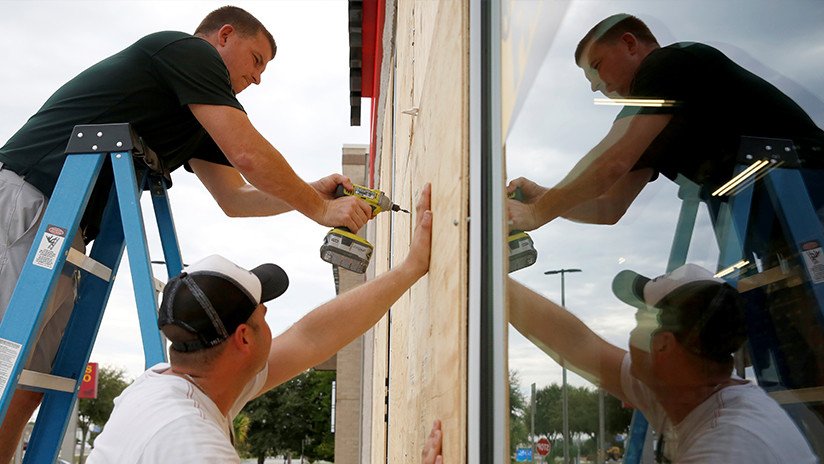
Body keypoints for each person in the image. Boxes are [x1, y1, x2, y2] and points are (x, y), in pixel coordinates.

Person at [0, 5, 374, 459]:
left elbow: (235, 197)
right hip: (28, 198)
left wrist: (310, 193)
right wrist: (320, 209)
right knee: (4, 364)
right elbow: (248, 154)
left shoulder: (193, 115)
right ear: (225, 36)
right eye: (256, 60)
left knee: (31, 382)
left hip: (65, 228)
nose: (258, 79)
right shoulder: (187, 51)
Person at [86, 184, 434, 463]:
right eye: (261, 312)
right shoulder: (195, 447)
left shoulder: (164, 385)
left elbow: (310, 338)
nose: (267, 315)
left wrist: (411, 268)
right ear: (243, 338)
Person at [507, 13, 824, 229]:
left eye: (597, 66)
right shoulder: (652, 120)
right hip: (777, 212)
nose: (595, 85)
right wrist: (545, 198)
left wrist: (538, 212)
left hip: (808, 190)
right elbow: (610, 207)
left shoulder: (667, 64)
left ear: (629, 44)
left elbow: (612, 162)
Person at [508, 263, 818, 463]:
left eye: (638, 320)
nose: (631, 331)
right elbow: (576, 345)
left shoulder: (729, 447)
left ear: (663, 345)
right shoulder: (682, 389)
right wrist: (494, 279)